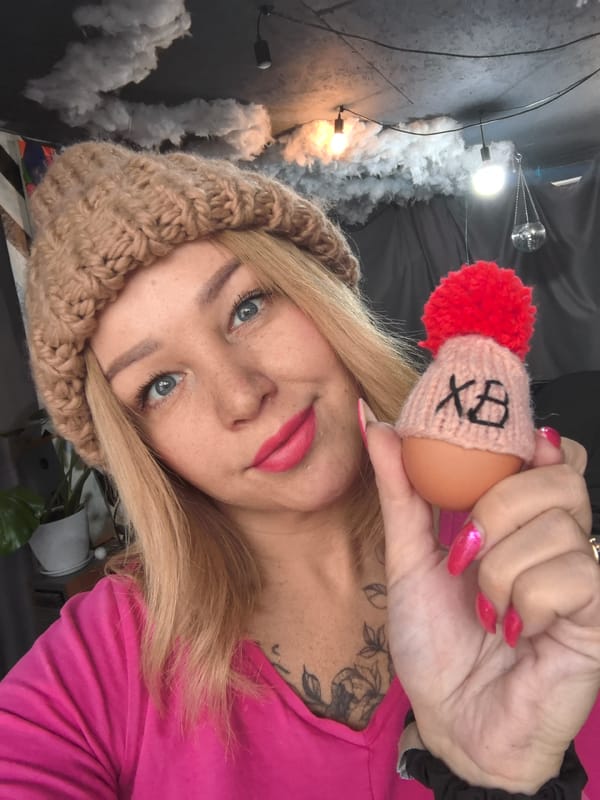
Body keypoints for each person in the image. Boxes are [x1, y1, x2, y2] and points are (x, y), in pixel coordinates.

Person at [0, 141, 599, 799]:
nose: (240, 394)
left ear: (321, 295)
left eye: (247, 308)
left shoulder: (526, 562)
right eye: (162, 383)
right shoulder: (97, 667)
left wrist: (509, 781)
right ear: (138, 446)